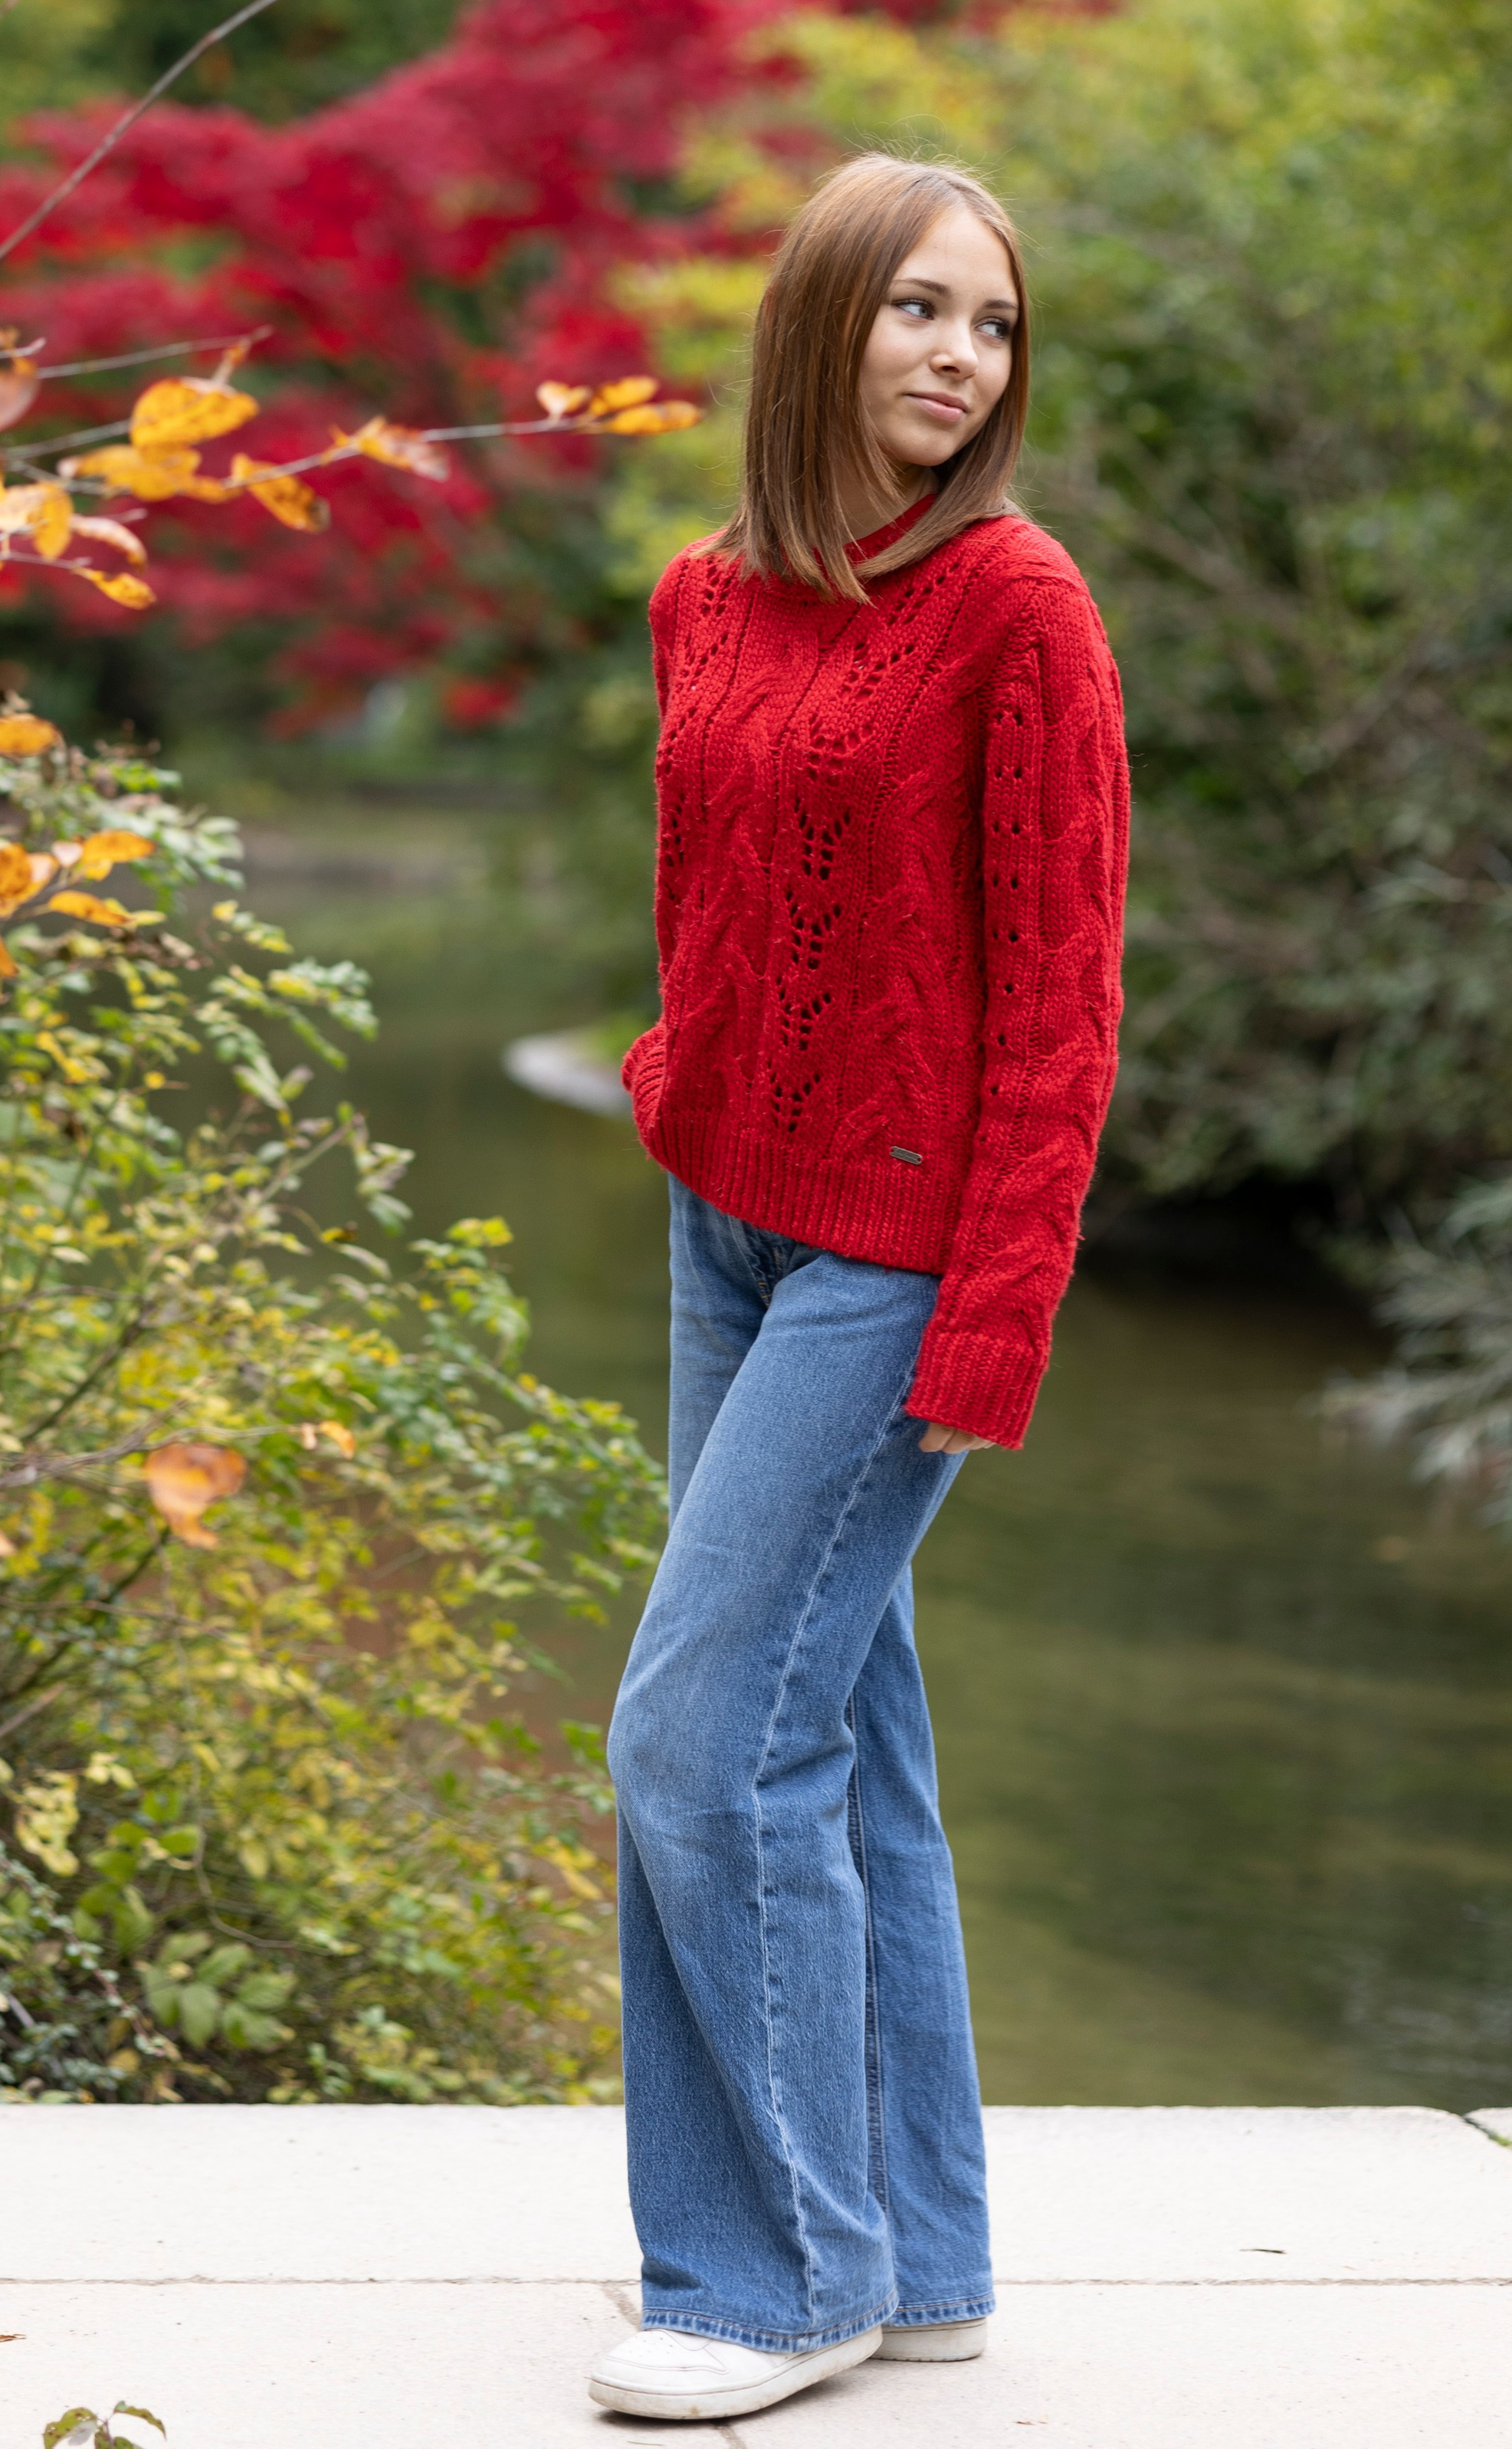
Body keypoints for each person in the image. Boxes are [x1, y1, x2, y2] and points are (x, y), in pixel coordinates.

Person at [588, 154, 1130, 2425]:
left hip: (900, 1252)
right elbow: (716, 884)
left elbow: (1064, 996)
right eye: (919, 310)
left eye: (990, 326)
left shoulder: (1022, 610)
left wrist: (991, 1315)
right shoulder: (709, 597)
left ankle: (775, 2281)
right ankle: (917, 2263)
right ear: (824, 323)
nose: (957, 358)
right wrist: (673, 1079)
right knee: (846, 1746)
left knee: (699, 1740)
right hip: (734, 1215)